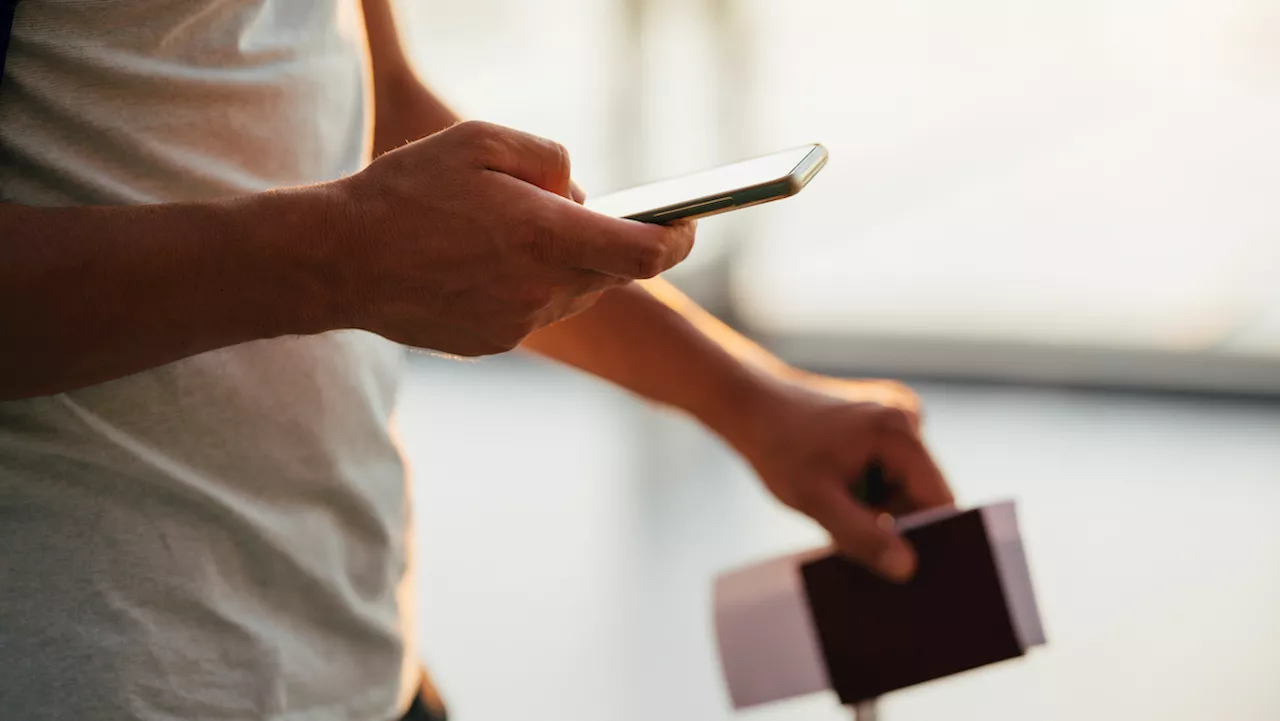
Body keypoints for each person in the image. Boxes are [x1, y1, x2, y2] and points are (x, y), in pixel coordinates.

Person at [0, 1, 953, 719]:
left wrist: (751, 402)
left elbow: (379, 111)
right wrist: (345, 254)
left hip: (360, 659)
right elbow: (363, 228)